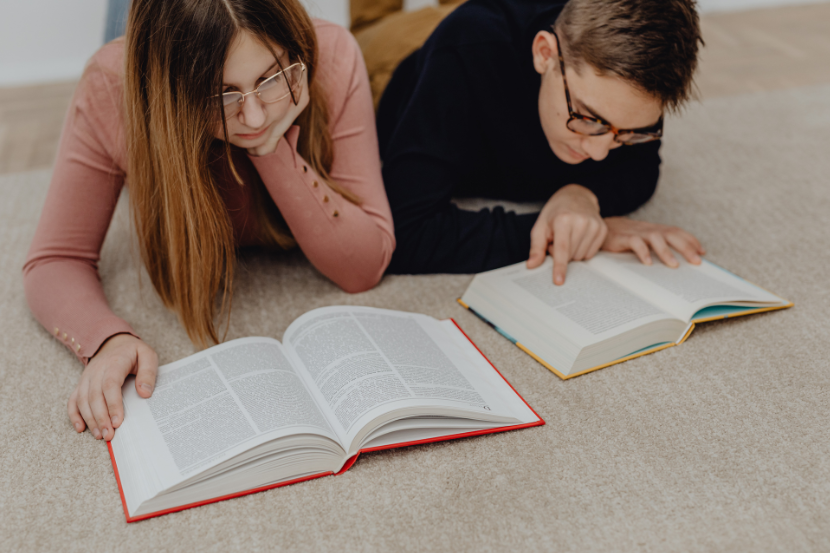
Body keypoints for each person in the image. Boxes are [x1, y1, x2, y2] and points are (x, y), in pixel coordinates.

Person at [23, 0, 394, 442]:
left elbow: (363, 266)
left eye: (269, 77)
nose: (254, 116)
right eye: (222, 94)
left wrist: (270, 149)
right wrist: (106, 341)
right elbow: (54, 260)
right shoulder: (113, 87)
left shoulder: (330, 53)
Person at [353, 0, 706, 284]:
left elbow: (642, 170)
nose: (598, 154)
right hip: (394, 59)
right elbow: (407, 233)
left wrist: (580, 196)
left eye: (628, 133)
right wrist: (571, 234)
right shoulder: (465, 51)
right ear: (545, 54)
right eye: (587, 118)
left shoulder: (634, 87)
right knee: (374, 31)